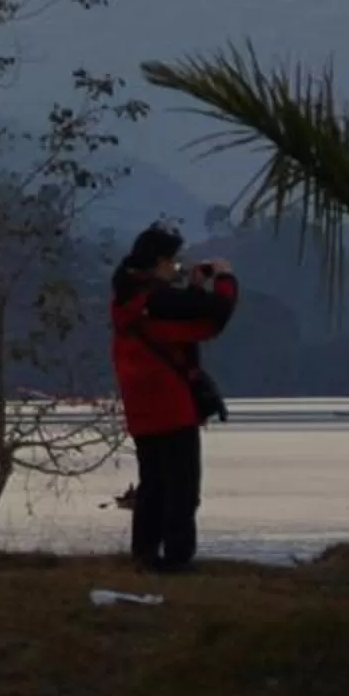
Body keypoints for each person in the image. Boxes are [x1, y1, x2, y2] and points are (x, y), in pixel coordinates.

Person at [109, 223, 236, 574]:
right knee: (182, 488)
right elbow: (214, 315)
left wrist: (193, 289)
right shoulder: (156, 299)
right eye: (173, 261)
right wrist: (225, 279)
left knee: (152, 484)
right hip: (171, 407)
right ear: (160, 261)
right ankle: (177, 559)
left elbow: (178, 319)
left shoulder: (127, 298)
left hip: (141, 409)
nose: (176, 268)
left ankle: (145, 553)